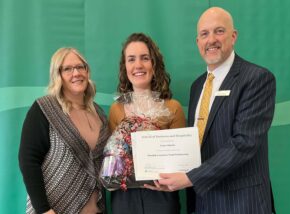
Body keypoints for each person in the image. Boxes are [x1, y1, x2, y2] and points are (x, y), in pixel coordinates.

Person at [146, 7, 276, 214]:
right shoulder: (197, 86)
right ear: (198, 42)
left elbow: (244, 143)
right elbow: (197, 145)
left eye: (219, 31)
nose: (211, 40)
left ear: (233, 36)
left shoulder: (256, 79)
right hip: (203, 201)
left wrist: (189, 178)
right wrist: (170, 174)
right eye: (204, 34)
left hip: (242, 203)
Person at [19, 47, 110, 214]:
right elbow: (28, 160)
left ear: (87, 71)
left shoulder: (100, 114)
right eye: (67, 69)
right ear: (57, 75)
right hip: (55, 209)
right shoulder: (44, 109)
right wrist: (43, 210)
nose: (76, 73)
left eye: (80, 67)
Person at [108, 33, 186, 214]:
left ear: (154, 64)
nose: (138, 65)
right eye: (131, 59)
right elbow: (113, 160)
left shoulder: (172, 108)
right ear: (125, 67)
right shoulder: (116, 109)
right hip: (125, 199)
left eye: (145, 58)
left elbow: (181, 163)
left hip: (162, 196)